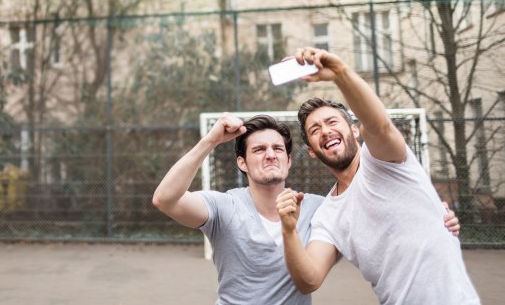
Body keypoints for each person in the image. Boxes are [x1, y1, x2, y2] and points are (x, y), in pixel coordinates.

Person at [152, 112, 459, 305]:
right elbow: (165, 199)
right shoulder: (223, 206)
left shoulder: (321, 209)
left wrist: (434, 216)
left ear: (289, 160)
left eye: (277, 149)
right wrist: (210, 140)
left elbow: (383, 219)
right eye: (259, 149)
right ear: (242, 163)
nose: (270, 155)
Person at [276, 47, 480, 304]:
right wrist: (289, 230)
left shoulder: (384, 161)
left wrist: (340, 72)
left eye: (332, 122)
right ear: (312, 152)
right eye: (315, 129)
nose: (325, 131)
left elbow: (379, 125)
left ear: (354, 131)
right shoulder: (328, 216)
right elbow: (309, 280)